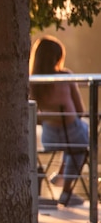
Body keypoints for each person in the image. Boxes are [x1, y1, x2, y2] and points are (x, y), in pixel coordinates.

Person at [29, 35, 88, 206]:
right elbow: (80, 111)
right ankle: (66, 191)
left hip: (49, 138)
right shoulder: (66, 77)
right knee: (81, 145)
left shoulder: (33, 82)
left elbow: (34, 116)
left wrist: (49, 116)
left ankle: (62, 173)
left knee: (74, 142)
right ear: (56, 58)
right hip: (72, 135)